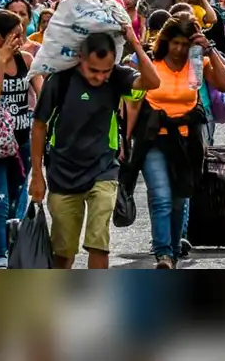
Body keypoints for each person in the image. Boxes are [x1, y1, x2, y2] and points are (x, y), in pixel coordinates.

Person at [29, 26, 161, 269]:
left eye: (105, 71)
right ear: (80, 57)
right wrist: (37, 175)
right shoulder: (61, 80)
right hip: (62, 172)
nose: (100, 77)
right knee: (63, 249)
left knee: (98, 241)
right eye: (93, 71)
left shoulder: (118, 77)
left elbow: (153, 81)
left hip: (103, 169)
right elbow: (39, 126)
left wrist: (134, 42)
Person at [128, 14, 225, 268]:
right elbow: (133, 103)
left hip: (187, 143)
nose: (179, 49)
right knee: (161, 197)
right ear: (166, 41)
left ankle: (173, 249)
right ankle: (163, 253)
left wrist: (207, 48)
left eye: (185, 44)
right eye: (174, 43)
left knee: (179, 198)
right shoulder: (152, 62)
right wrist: (126, 141)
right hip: (154, 139)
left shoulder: (196, 62)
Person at [0, 10, 44, 269]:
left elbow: (42, 94)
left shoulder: (26, 59)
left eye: (22, 36)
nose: (20, 42)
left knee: (16, 201)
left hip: (21, 141)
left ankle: (14, 253)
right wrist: (0, 62)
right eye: (15, 36)